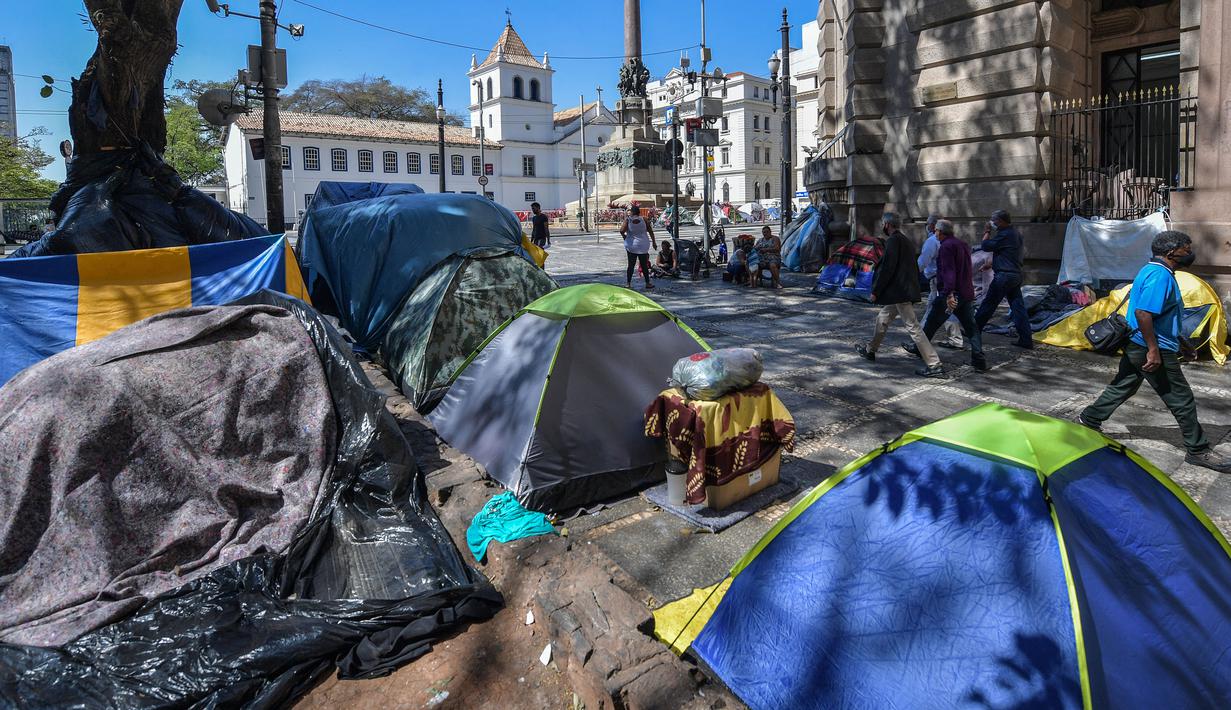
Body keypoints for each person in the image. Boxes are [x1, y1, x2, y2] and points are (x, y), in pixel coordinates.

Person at [1078, 231, 1231, 473]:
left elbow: (1162, 316)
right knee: (1181, 399)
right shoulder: (1160, 275)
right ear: (1172, 252)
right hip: (1149, 346)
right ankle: (1198, 450)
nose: (1190, 253)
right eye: (1186, 249)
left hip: (1141, 343)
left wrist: (1182, 343)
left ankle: (1089, 418)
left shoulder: (1154, 271)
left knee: (1124, 384)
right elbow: (1143, 313)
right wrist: (1153, 350)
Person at [856, 213, 944, 378]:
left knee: (913, 327)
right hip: (901, 291)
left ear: (887, 224)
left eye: (883, 223)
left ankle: (934, 364)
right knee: (882, 318)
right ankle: (870, 350)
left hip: (900, 292)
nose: (883, 226)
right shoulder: (904, 240)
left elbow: (887, 268)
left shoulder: (894, 241)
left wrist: (875, 291)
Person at [906, 220, 986, 370]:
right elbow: (967, 269)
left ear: (940, 232)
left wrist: (949, 294)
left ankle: (920, 349)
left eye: (936, 230)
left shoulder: (946, 247)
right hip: (965, 292)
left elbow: (949, 271)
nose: (934, 232)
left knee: (931, 323)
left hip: (952, 294)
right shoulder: (962, 244)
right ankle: (979, 360)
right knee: (971, 328)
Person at [974, 209, 1032, 348]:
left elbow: (985, 246)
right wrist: (990, 264)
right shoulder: (1015, 233)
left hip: (1004, 276)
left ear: (1000, 221)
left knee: (988, 304)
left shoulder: (1005, 234)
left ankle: (973, 331)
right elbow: (1007, 254)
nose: (992, 223)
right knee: (1018, 308)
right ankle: (1026, 339)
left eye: (993, 220)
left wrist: (987, 231)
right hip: (1014, 275)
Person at [620, 205, 656, 290]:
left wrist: (625, 237)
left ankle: (628, 283)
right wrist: (654, 242)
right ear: (639, 212)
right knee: (644, 265)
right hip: (643, 245)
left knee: (631, 265)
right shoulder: (644, 219)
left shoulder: (628, 220)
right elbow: (650, 231)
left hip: (632, 245)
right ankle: (647, 283)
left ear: (632, 212)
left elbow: (621, 230)